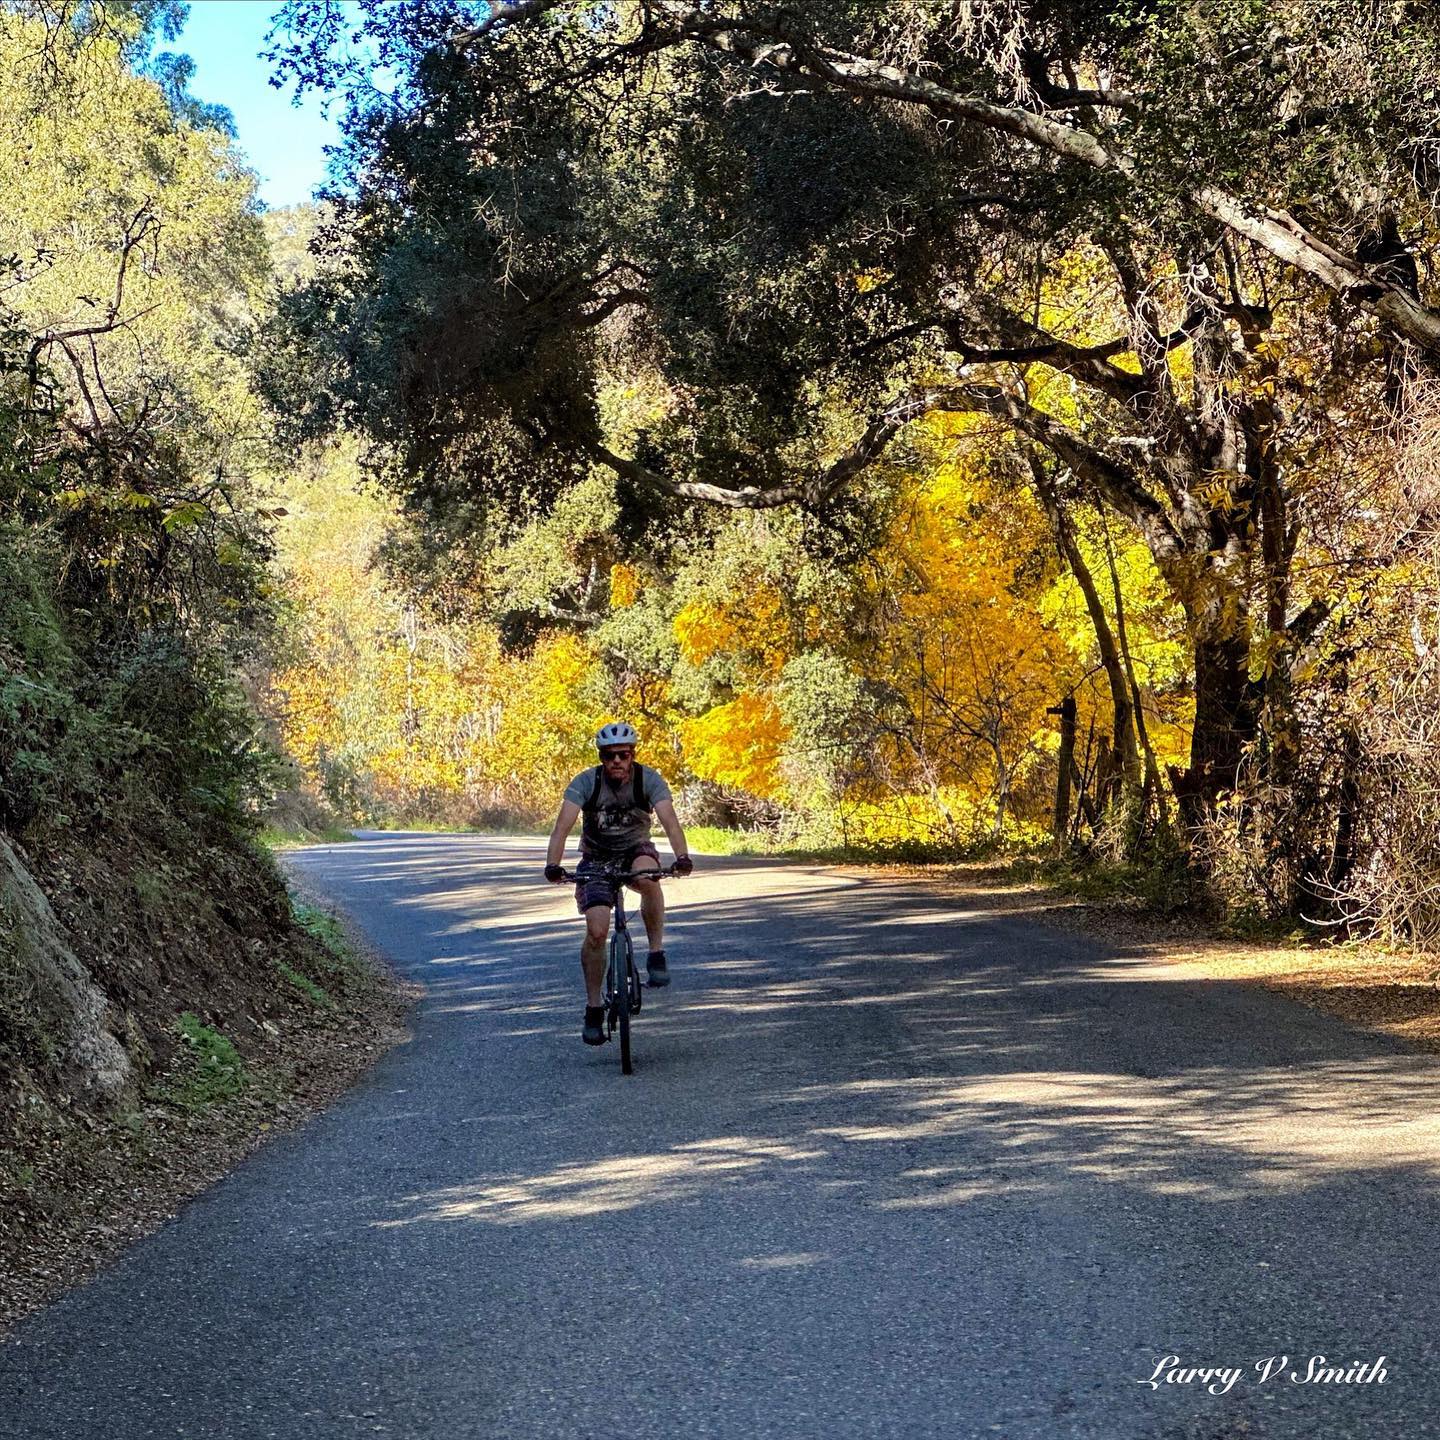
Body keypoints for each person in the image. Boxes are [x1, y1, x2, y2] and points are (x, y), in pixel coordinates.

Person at [544, 722, 693, 1045]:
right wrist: (553, 865)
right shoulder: (586, 783)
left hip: (634, 850)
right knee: (597, 932)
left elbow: (670, 821)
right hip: (596, 859)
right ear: (601, 757)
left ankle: (655, 954)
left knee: (648, 876)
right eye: (609, 756)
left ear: (632, 755)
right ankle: (594, 1010)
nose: (616, 761)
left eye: (623, 755)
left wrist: (681, 857)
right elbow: (562, 827)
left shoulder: (647, 780)